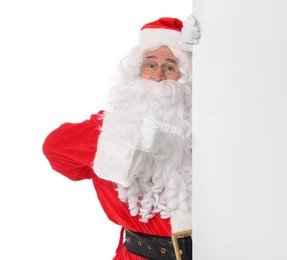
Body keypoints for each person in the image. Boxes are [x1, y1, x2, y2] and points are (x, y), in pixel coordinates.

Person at [42, 15, 200, 260]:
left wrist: (214, 47)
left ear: (185, 77)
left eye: (170, 67)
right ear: (136, 71)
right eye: (150, 65)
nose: (158, 76)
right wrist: (130, 138)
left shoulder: (202, 130)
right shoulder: (110, 125)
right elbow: (54, 149)